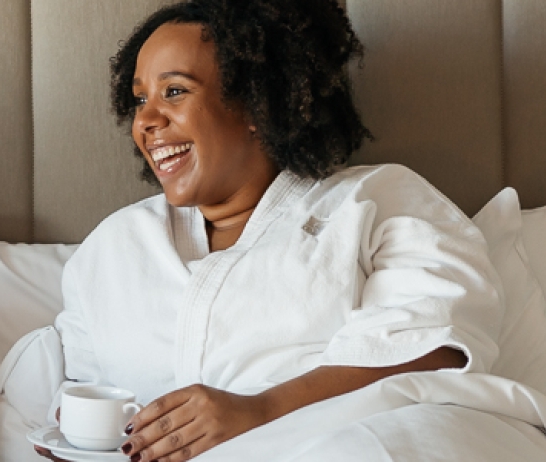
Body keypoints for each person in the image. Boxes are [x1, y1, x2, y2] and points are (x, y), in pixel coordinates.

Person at [40, 1, 509, 460]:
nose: (146, 120)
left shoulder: (375, 202)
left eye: (175, 92)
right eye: (140, 99)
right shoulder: (111, 249)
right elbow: (83, 390)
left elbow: (436, 349)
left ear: (256, 103)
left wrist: (261, 411)